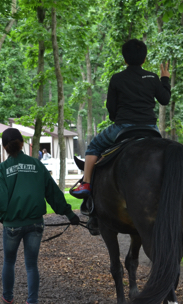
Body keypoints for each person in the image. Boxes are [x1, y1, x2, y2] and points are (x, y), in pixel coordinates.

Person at [0, 128, 80, 304]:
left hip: (12, 225)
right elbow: (53, 193)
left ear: (4, 147)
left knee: (9, 262)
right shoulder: (37, 165)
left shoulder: (2, 170)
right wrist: (69, 214)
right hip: (35, 224)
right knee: (31, 265)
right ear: (22, 143)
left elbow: (0, 201)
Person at [70, 39, 171, 198]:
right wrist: (165, 79)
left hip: (124, 127)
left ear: (124, 59)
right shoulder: (152, 78)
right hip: (150, 128)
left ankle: (86, 183)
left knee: (94, 146)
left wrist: (116, 118)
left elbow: (111, 107)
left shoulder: (117, 78)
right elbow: (165, 100)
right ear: (144, 59)